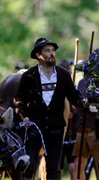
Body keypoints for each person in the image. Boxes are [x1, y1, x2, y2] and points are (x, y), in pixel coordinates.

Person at [13, 37, 87, 179]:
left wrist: (84, 101)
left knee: (53, 169)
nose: (51, 53)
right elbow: (18, 99)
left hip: (56, 129)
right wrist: (24, 115)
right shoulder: (29, 76)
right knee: (29, 167)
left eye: (53, 50)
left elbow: (73, 95)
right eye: (47, 50)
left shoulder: (63, 75)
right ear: (38, 55)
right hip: (34, 130)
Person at [72, 78, 99, 180]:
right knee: (78, 166)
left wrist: (95, 104)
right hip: (81, 129)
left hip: (95, 129)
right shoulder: (81, 82)